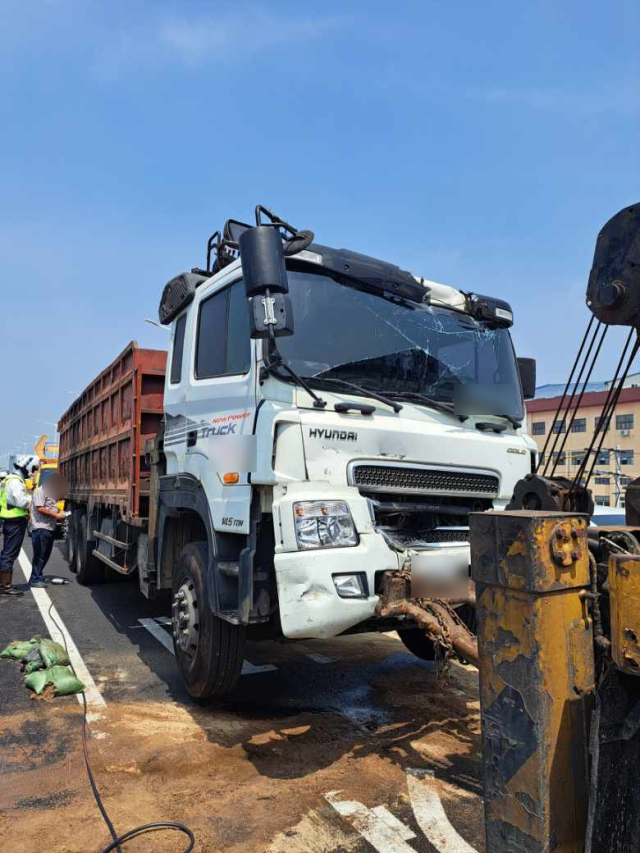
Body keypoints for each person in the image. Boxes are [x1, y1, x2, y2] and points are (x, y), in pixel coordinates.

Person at [0, 455, 40, 596]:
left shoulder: (9, 479)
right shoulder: (16, 482)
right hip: (15, 521)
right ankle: (5, 586)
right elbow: (20, 501)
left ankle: (4, 584)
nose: (33, 472)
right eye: (33, 469)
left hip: (11, 521)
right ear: (27, 466)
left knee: (7, 553)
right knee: (9, 554)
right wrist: (32, 498)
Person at [30, 472, 69, 588]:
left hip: (49, 527)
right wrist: (56, 515)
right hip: (41, 527)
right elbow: (40, 508)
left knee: (45, 554)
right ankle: (35, 579)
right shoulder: (40, 491)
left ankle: (38, 576)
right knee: (40, 555)